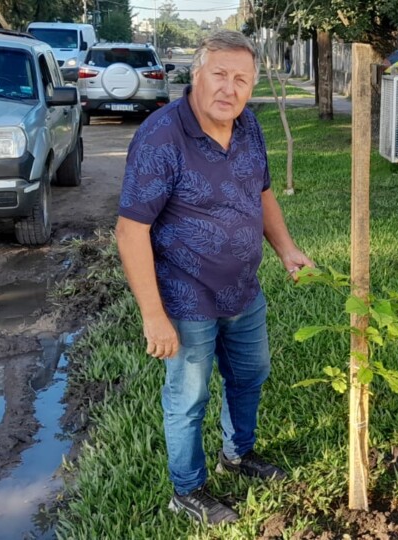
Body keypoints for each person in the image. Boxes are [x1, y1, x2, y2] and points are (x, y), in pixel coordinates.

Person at [115, 30, 314, 525]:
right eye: (220, 74)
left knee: (250, 375)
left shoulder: (249, 127)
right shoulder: (161, 137)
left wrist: (287, 249)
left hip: (244, 290)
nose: (230, 88)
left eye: (241, 79)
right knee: (188, 397)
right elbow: (130, 230)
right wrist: (153, 315)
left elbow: (261, 193)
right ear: (196, 75)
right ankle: (187, 490)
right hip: (186, 297)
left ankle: (238, 453)